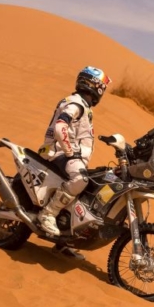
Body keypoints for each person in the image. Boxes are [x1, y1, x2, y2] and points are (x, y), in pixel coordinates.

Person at [37, 66, 112, 242]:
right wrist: (69, 151)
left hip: (66, 156)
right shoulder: (76, 104)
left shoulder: (81, 104)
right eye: (102, 87)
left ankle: (64, 240)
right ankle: (48, 213)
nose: (102, 92)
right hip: (59, 155)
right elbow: (60, 127)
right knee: (81, 180)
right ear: (94, 86)